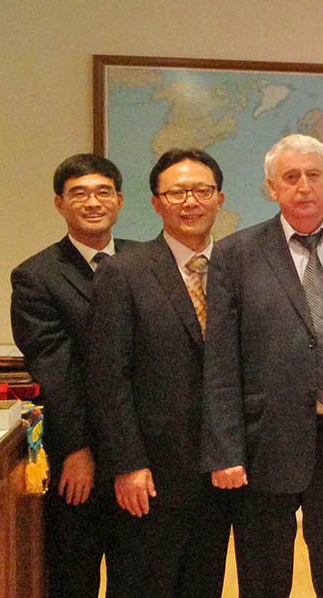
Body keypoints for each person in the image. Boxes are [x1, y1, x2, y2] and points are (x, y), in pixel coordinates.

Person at [202, 134, 323, 597]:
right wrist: (226, 451)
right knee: (264, 580)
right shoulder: (236, 253)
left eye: (313, 175)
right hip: (265, 441)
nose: (303, 186)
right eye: (290, 177)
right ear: (271, 187)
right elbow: (221, 361)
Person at [86, 148, 232, 596]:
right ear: (155, 203)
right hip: (151, 475)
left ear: (219, 198)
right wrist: (129, 463)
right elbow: (108, 378)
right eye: (176, 193)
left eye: (202, 190)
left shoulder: (237, 267)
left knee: (204, 585)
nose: (190, 202)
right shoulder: (123, 272)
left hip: (221, 472)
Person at [10, 153, 136, 597]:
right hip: (76, 457)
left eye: (103, 192)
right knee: (73, 575)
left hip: (140, 453)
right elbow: (55, 369)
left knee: (139, 575)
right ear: (59, 204)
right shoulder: (36, 276)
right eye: (78, 193)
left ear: (119, 200)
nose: (92, 202)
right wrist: (79, 448)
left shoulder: (146, 261)